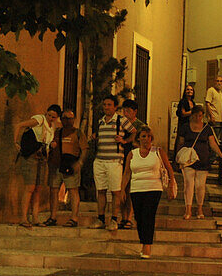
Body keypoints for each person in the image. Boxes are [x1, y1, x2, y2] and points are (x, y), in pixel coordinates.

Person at [119, 126, 176, 259]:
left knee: (148, 216)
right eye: (143, 136)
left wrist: (171, 185)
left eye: (148, 136)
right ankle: (143, 240)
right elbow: (127, 173)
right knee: (139, 217)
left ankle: (147, 245)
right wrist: (123, 189)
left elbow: (169, 169)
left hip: (153, 187)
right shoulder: (132, 154)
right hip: (136, 188)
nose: (146, 139)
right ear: (138, 138)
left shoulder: (158, 151)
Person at [14, 104, 61, 227]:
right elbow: (19, 125)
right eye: (49, 115)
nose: (50, 118)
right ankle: (23, 218)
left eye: (53, 117)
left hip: (42, 158)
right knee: (29, 187)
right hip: (31, 157)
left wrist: (51, 146)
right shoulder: (39, 120)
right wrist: (16, 142)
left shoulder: (52, 127)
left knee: (38, 189)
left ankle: (35, 217)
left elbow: (46, 143)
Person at [177, 105, 222, 220]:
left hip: (202, 159)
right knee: (188, 183)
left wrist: (221, 154)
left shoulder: (207, 128)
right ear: (192, 115)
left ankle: (199, 208)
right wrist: (178, 157)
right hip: (188, 159)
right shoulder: (185, 127)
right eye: (196, 115)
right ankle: (188, 209)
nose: (198, 118)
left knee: (200, 185)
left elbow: (212, 143)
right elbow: (180, 142)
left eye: (200, 115)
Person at [44, 109, 86, 227]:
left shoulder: (78, 133)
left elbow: (84, 149)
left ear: (73, 120)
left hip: (71, 165)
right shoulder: (56, 132)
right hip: (56, 165)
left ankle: (74, 218)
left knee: (73, 190)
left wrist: (80, 163)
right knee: (54, 190)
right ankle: (52, 217)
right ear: (61, 120)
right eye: (65, 118)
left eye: (70, 118)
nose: (67, 121)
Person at [91, 94, 125, 230]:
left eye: (109, 105)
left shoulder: (121, 120)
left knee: (116, 191)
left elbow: (135, 132)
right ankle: (100, 218)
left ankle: (114, 219)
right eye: (105, 105)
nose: (106, 107)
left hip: (114, 160)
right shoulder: (100, 121)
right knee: (101, 190)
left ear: (115, 107)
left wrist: (124, 141)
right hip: (100, 160)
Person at [116, 99, 148, 229]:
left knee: (130, 190)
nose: (125, 113)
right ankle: (123, 217)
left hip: (135, 160)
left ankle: (129, 217)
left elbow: (144, 143)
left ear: (135, 112)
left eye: (128, 111)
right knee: (122, 188)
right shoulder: (121, 123)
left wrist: (126, 141)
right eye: (124, 111)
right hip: (120, 159)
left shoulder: (141, 126)